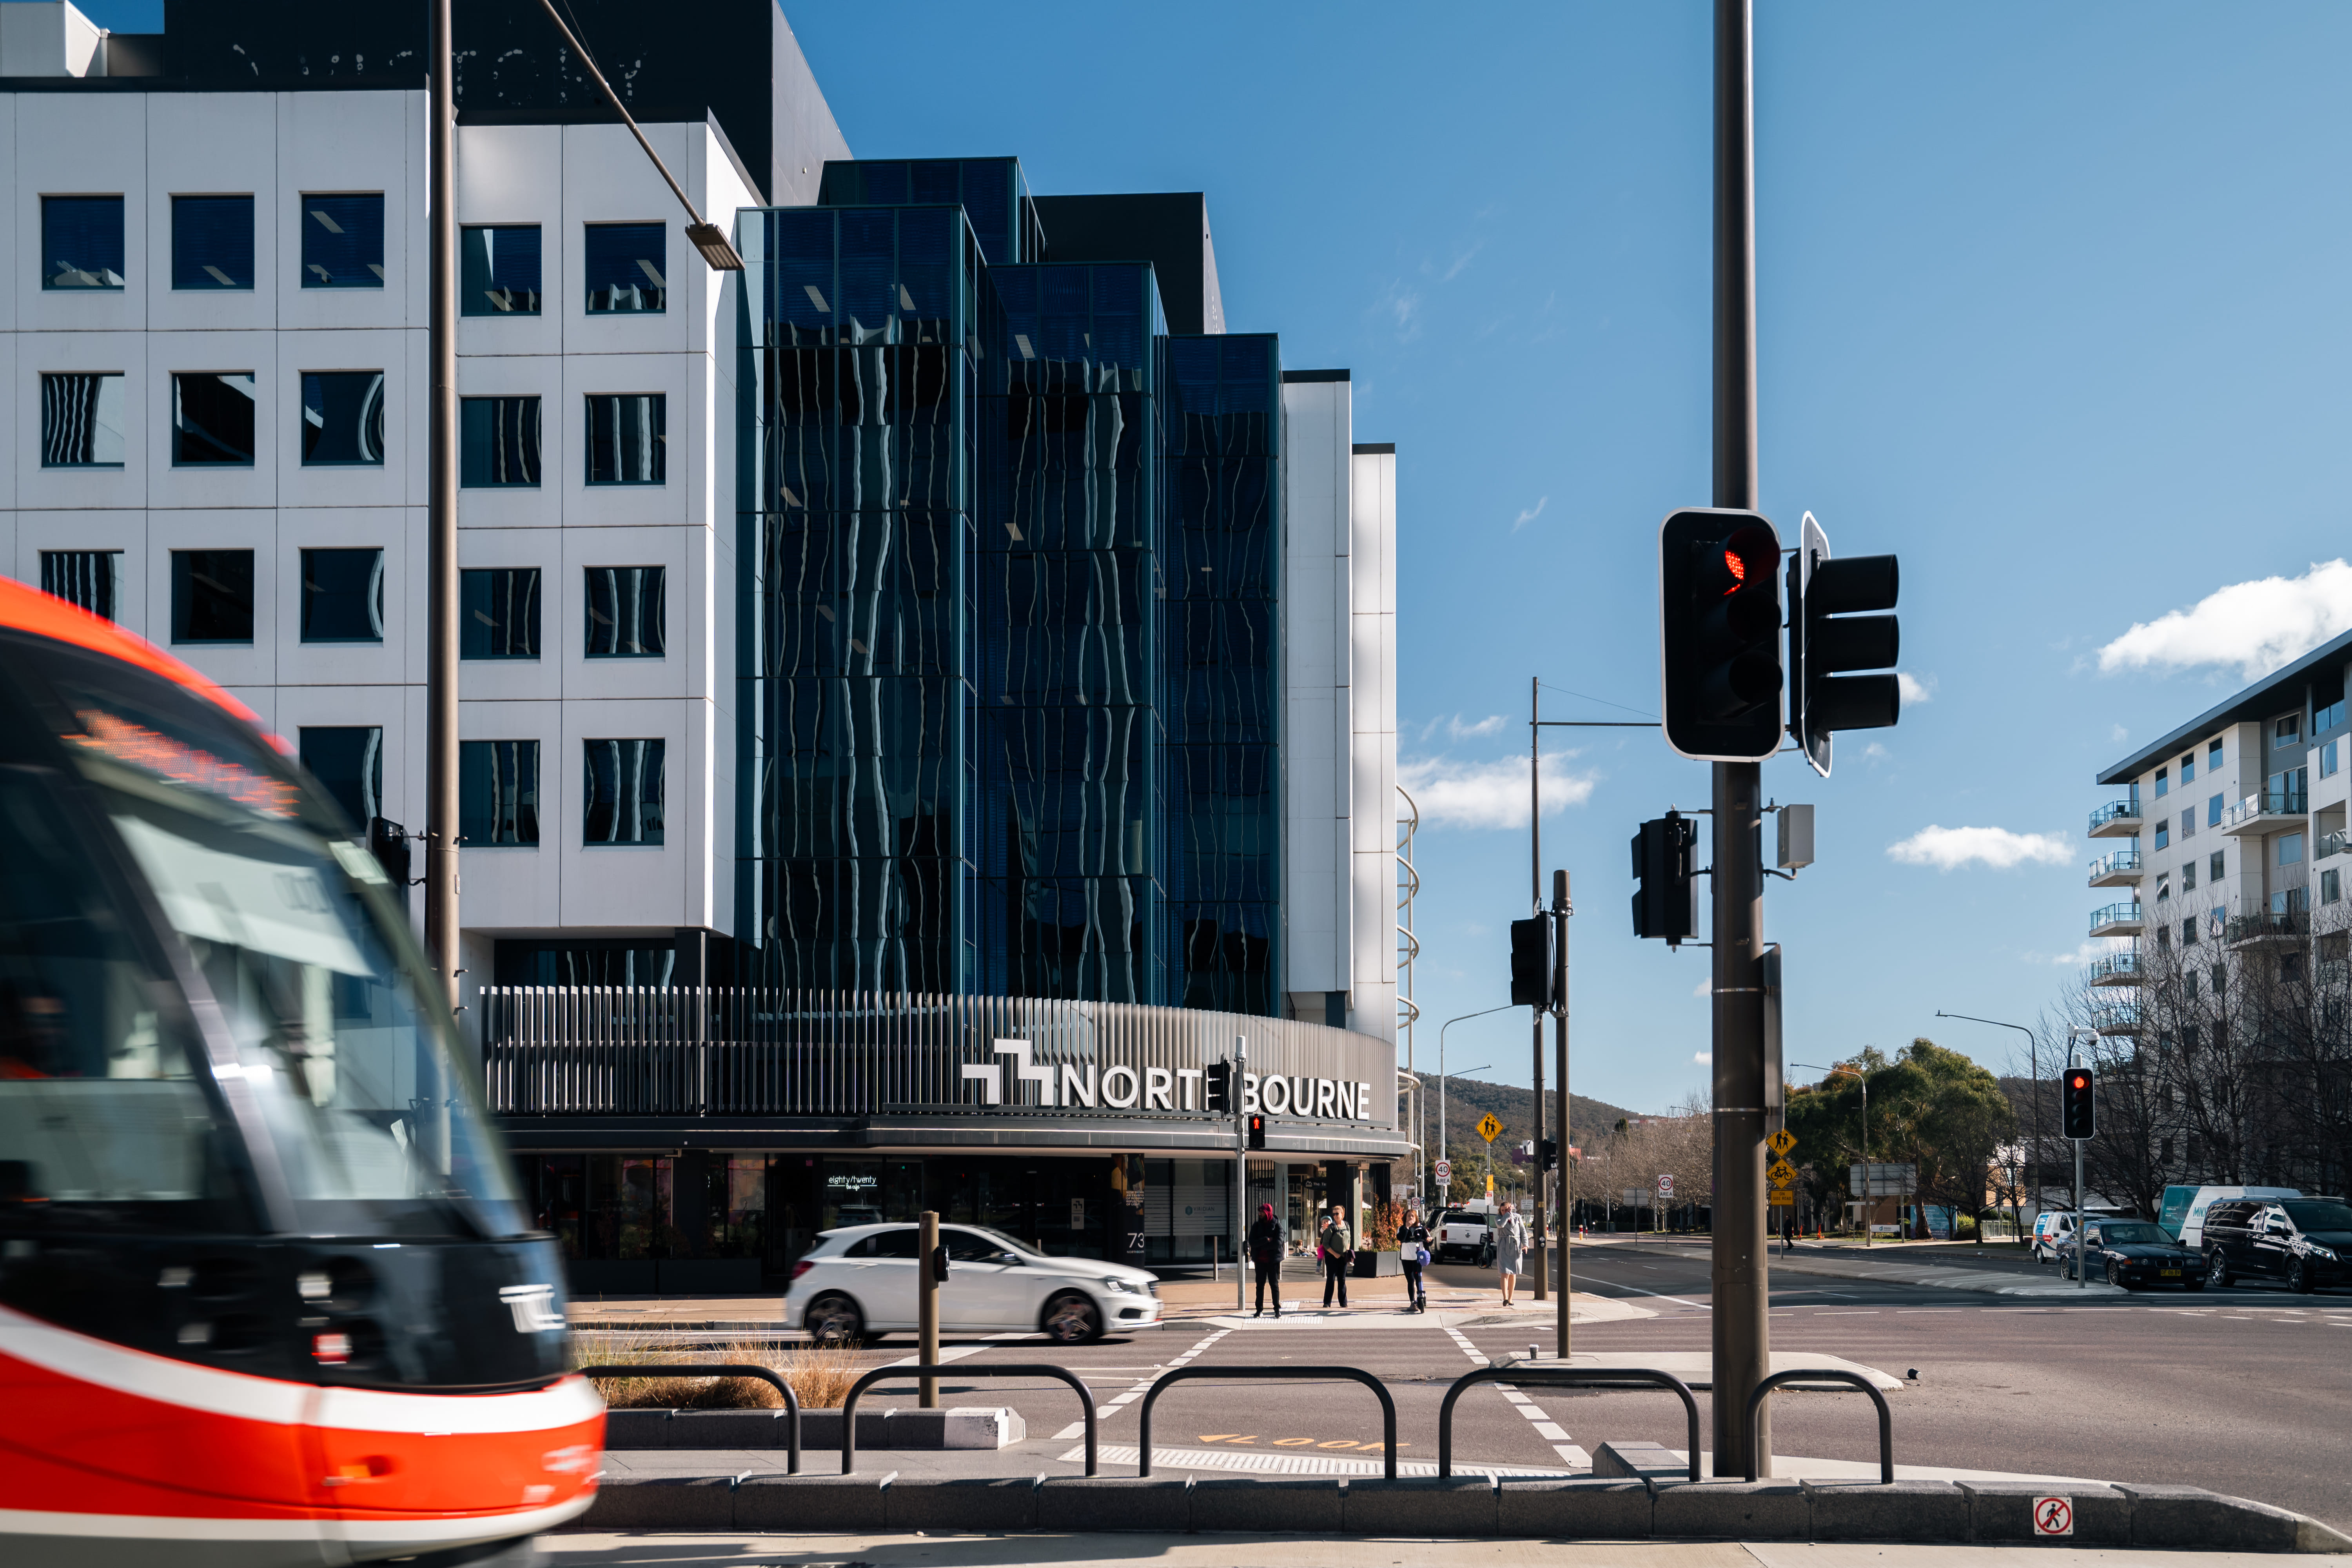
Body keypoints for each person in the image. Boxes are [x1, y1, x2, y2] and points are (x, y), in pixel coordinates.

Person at [1247, 1201, 1285, 1318]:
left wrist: (1262, 1246)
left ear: (1268, 1213)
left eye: (1262, 1212)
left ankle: (1277, 1309)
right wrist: (1265, 1240)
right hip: (1259, 1261)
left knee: (1274, 1285)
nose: (1260, 1214)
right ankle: (1259, 1310)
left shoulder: (1277, 1225)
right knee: (1260, 1285)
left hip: (1273, 1261)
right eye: (1259, 1212)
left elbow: (1278, 1243)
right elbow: (1252, 1242)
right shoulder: (1256, 1226)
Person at [1494, 1201, 1530, 1306]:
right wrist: (1507, 1215)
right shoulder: (1499, 1218)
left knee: (1513, 1273)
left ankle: (1511, 1298)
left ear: (1511, 1208)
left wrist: (1526, 1245)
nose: (1505, 1211)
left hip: (1516, 1246)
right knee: (1505, 1272)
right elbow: (1501, 1225)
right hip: (1504, 1246)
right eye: (1503, 1210)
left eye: (1506, 1209)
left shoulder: (1517, 1217)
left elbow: (1523, 1231)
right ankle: (1505, 1297)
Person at [1318, 1203, 1354, 1308]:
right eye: (1333, 1214)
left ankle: (1343, 1303)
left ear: (1342, 1214)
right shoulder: (1331, 1228)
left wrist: (1347, 1251)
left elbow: (1349, 1238)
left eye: (1337, 1214)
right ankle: (1327, 1303)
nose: (1335, 1216)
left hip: (1343, 1257)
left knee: (1342, 1280)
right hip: (1332, 1257)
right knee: (1331, 1279)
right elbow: (1325, 1243)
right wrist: (1335, 1254)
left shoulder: (1347, 1225)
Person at [1396, 1205, 1430, 1312]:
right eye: (1409, 1216)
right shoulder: (1401, 1229)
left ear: (1416, 1218)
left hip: (1418, 1258)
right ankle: (1412, 1302)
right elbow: (1401, 1238)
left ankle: (1421, 1295)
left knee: (1418, 1277)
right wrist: (1407, 1228)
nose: (1411, 1218)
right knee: (1410, 1280)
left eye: (1413, 1216)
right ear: (1405, 1218)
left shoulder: (1421, 1229)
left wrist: (1429, 1240)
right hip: (1406, 1258)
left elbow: (1429, 1239)